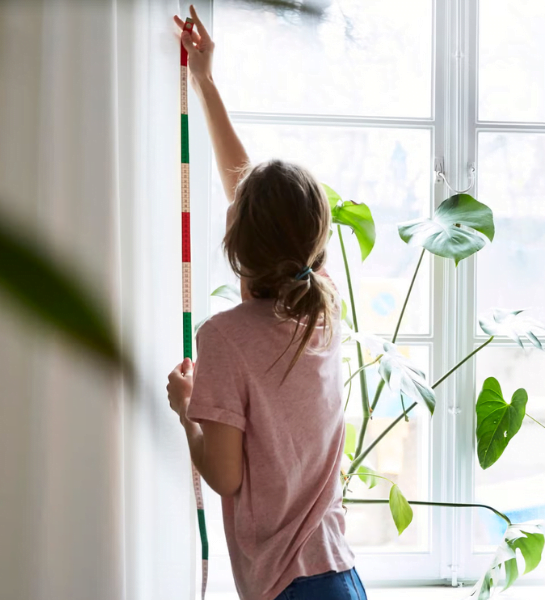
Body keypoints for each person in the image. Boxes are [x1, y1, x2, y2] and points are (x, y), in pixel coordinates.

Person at [166, 7, 367, 600]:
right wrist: (206, 81)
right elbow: (257, 205)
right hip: (342, 576)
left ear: (237, 242)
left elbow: (226, 476)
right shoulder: (322, 311)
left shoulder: (224, 338)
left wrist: (186, 409)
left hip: (286, 588)